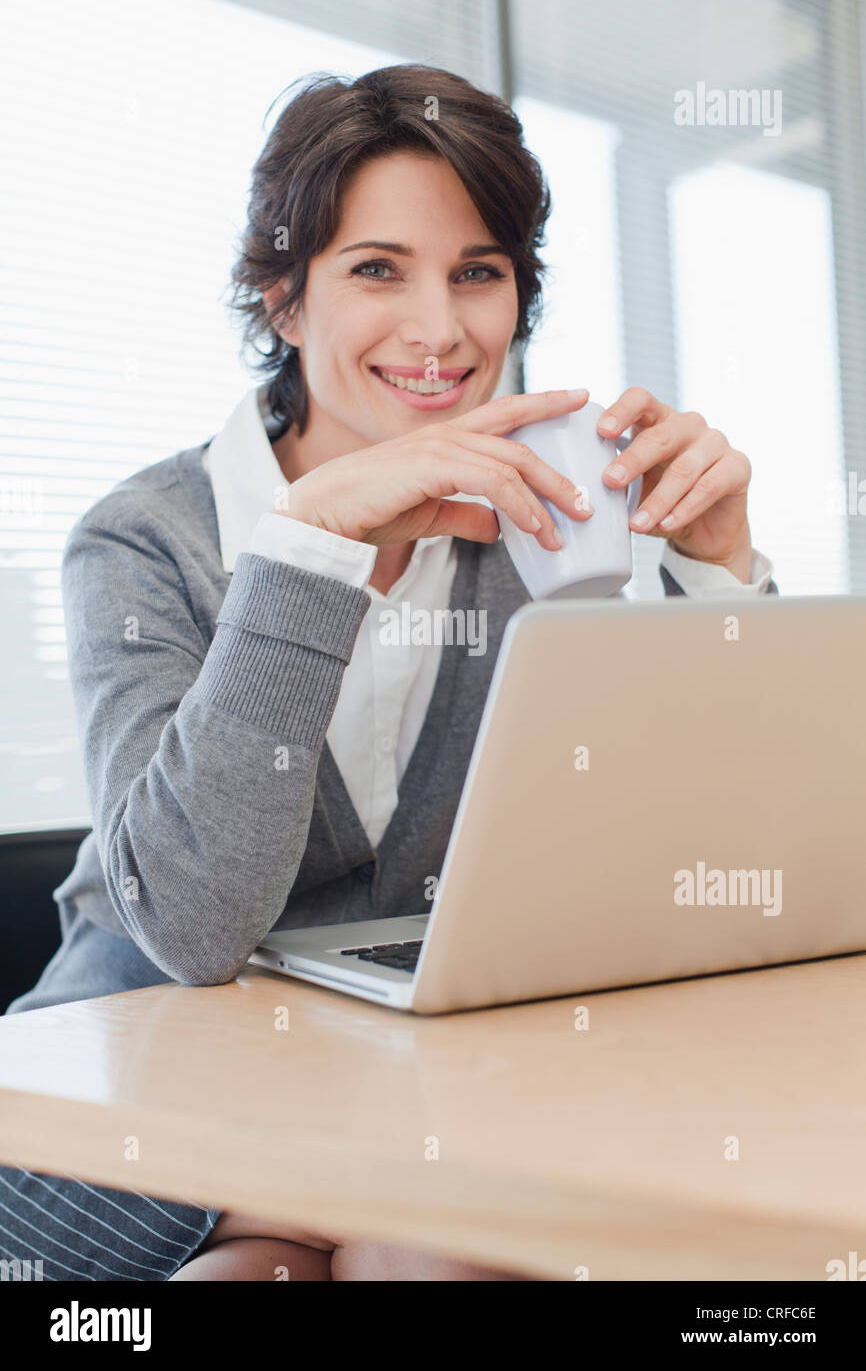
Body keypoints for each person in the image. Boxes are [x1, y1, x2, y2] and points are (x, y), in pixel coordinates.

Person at [0, 63, 777, 1283]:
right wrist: (307, 549)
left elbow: (723, 882)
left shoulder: (547, 525)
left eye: (478, 271)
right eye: (376, 269)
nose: (441, 330)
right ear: (282, 299)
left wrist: (719, 575)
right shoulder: (146, 537)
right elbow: (195, 930)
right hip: (124, 1102)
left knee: (421, 1257)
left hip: (395, 1096)